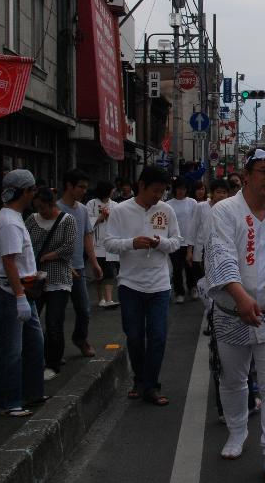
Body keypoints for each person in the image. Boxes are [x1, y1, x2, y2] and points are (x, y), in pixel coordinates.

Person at [205, 150, 265, 482]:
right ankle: (237, 432)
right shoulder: (224, 210)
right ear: (248, 174)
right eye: (264, 171)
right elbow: (221, 254)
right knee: (233, 379)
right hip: (231, 310)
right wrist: (240, 295)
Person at [104, 166, 182, 406]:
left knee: (157, 336)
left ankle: (151, 385)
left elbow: (177, 242)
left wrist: (160, 243)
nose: (158, 196)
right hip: (130, 284)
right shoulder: (121, 210)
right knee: (135, 336)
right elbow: (109, 243)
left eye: (162, 192)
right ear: (141, 185)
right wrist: (132, 243)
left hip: (159, 284)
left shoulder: (166, 210)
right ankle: (140, 378)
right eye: (155, 191)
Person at [0, 169, 46, 418]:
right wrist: (20, 297)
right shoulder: (9, 221)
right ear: (26, 192)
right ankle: (10, 401)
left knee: (34, 343)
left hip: (23, 290)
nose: (34, 195)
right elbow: (9, 261)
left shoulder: (13, 217)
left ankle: (32, 392)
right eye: (33, 190)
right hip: (11, 291)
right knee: (11, 349)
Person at [25, 188, 77, 379]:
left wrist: (50, 255)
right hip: (35, 278)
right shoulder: (31, 220)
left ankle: (53, 363)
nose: (41, 211)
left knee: (54, 322)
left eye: (43, 207)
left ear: (51, 204)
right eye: (37, 207)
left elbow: (69, 247)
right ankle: (34, 358)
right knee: (32, 320)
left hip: (58, 278)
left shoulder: (67, 220)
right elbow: (24, 242)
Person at [57, 170, 100, 358]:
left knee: (84, 310)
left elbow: (87, 237)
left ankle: (80, 338)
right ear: (69, 186)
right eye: (81, 187)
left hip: (79, 267)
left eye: (85, 187)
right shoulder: (56, 209)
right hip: (57, 269)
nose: (84, 191)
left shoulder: (82, 210)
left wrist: (94, 262)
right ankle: (54, 352)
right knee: (55, 314)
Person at [85, 180, 120, 310]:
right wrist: (100, 218)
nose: (113, 192)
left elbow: (119, 222)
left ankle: (109, 299)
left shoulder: (115, 205)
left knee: (110, 272)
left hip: (110, 243)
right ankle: (101, 299)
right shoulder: (91, 204)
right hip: (96, 244)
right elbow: (87, 223)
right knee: (99, 273)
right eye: (112, 189)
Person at [166, 179, 199, 305]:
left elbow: (196, 221)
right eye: (179, 188)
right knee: (177, 269)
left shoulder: (192, 202)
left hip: (189, 241)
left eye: (184, 188)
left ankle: (192, 287)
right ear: (175, 189)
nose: (181, 191)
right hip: (175, 241)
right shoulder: (168, 204)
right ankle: (179, 292)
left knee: (190, 267)